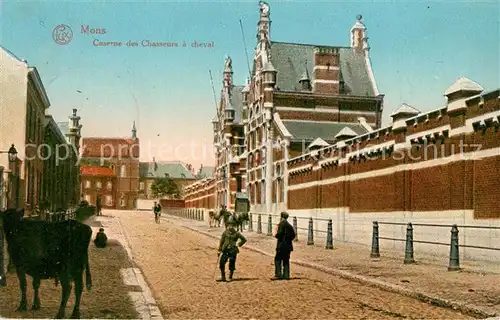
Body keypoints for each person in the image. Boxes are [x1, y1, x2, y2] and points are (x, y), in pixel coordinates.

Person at [218, 216, 247, 281]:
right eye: (229, 225)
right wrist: (219, 250)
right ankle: (223, 277)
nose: (230, 226)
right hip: (225, 250)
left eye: (232, 225)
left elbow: (244, 239)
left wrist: (239, 244)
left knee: (232, 263)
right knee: (222, 263)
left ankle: (230, 276)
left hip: (233, 250)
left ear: (234, 226)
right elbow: (221, 241)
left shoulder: (237, 233)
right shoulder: (225, 232)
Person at [273, 212, 296, 280]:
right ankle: (286, 275)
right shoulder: (289, 225)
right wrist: (288, 239)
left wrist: (276, 235)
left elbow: (279, 233)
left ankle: (278, 274)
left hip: (281, 245)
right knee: (286, 260)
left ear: (281, 217)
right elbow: (293, 235)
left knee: (278, 259)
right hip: (288, 246)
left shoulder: (281, 224)